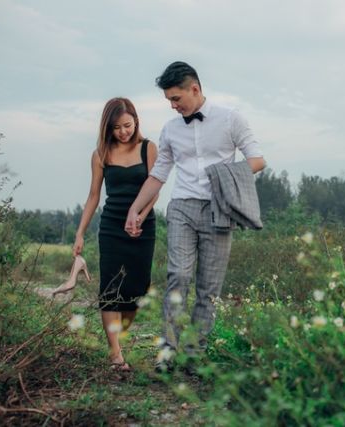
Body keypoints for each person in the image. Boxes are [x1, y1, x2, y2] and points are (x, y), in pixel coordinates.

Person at [124, 61, 265, 370]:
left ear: (195, 89)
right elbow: (159, 174)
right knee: (178, 275)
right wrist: (135, 208)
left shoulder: (231, 119)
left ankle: (194, 353)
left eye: (176, 99)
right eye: (169, 101)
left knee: (209, 287)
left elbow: (257, 160)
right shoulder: (171, 129)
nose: (173, 106)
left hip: (219, 209)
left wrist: (222, 176)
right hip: (182, 207)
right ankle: (167, 351)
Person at [73, 97, 158, 371]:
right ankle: (115, 353)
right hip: (111, 227)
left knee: (136, 291)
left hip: (143, 229)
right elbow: (93, 196)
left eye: (127, 125)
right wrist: (80, 232)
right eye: (116, 128)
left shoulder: (149, 149)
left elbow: (154, 189)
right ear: (107, 128)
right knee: (111, 289)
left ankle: (119, 337)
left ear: (136, 121)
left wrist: (140, 218)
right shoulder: (100, 154)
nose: (123, 132)